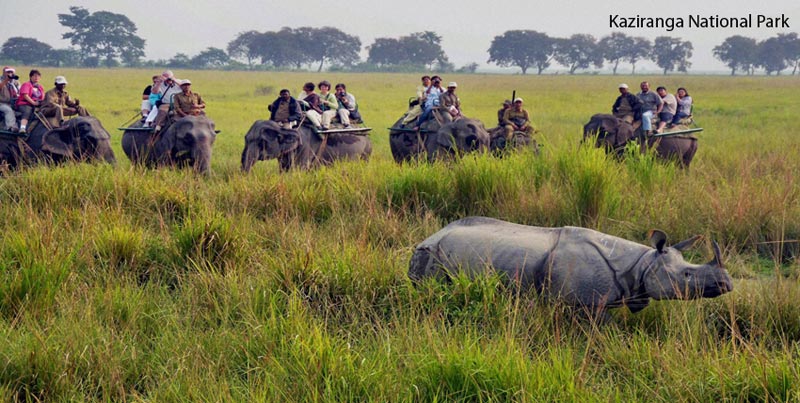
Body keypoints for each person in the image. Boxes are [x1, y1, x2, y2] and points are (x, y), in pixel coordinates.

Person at [15, 69, 45, 134]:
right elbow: (25, 95)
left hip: (37, 104)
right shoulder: (26, 84)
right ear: (31, 77)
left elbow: (43, 97)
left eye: (38, 76)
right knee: (27, 111)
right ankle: (22, 128)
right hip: (25, 103)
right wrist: (33, 103)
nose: (36, 78)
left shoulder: (40, 87)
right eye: (34, 76)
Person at [0, 66, 20, 132]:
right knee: (8, 110)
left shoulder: (15, 82)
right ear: (4, 72)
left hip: (13, 102)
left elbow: (20, 91)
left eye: (11, 72)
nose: (10, 74)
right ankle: (11, 127)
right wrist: (6, 80)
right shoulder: (1, 80)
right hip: (2, 103)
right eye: (8, 72)